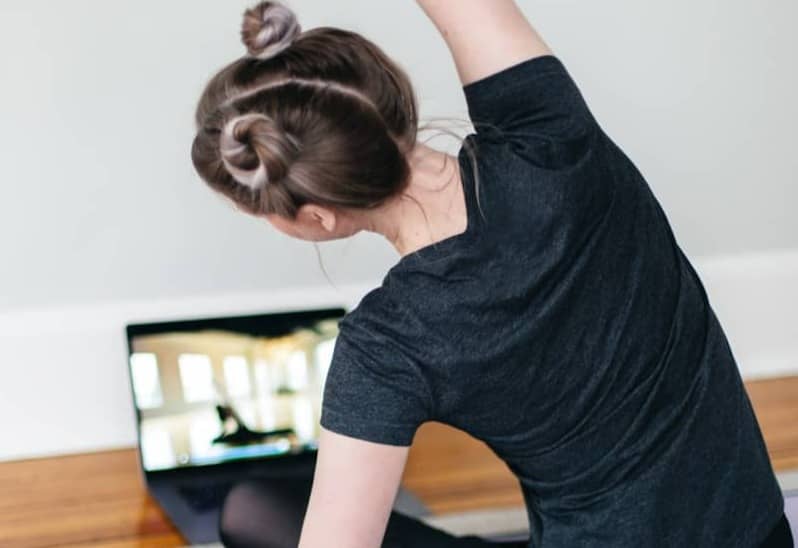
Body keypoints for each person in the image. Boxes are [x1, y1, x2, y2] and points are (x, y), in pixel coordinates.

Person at [190, 1, 793, 547]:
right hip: (759, 531)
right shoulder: (553, 135)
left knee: (253, 511)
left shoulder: (385, 347)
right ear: (391, 93)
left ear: (317, 218)